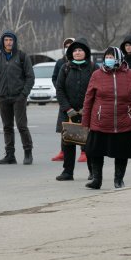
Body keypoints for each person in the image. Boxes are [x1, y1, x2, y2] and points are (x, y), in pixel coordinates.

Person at [81, 46, 131, 190]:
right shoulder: (97, 74)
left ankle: (119, 180)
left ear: (120, 58)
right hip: (100, 121)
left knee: (121, 153)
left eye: (112, 57)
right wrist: (85, 121)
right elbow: (88, 98)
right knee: (96, 151)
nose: (108, 60)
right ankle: (96, 180)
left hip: (123, 121)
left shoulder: (130, 74)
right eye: (107, 57)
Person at [0, 31, 35, 165]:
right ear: (2, 42)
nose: (8, 42)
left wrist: (23, 94)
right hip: (3, 98)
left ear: (14, 42)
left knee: (22, 126)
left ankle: (28, 152)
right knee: (7, 127)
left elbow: (30, 77)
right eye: (6, 40)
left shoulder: (22, 56)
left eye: (11, 40)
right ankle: (10, 155)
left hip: (18, 97)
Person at [55, 38, 94, 181]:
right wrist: (67, 108)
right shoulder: (65, 68)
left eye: (80, 50)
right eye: (75, 50)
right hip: (68, 113)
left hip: (87, 112)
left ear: (86, 52)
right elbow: (59, 89)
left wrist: (87, 108)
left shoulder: (92, 68)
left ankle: (93, 171)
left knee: (90, 143)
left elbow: (96, 90)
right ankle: (68, 172)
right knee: (68, 143)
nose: (77, 52)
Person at [51, 37, 75, 162]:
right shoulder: (60, 62)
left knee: (81, 126)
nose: (68, 48)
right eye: (66, 46)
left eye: (71, 45)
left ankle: (84, 152)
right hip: (64, 99)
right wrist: (59, 88)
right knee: (64, 126)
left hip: (78, 99)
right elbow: (55, 78)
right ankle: (63, 151)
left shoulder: (83, 62)